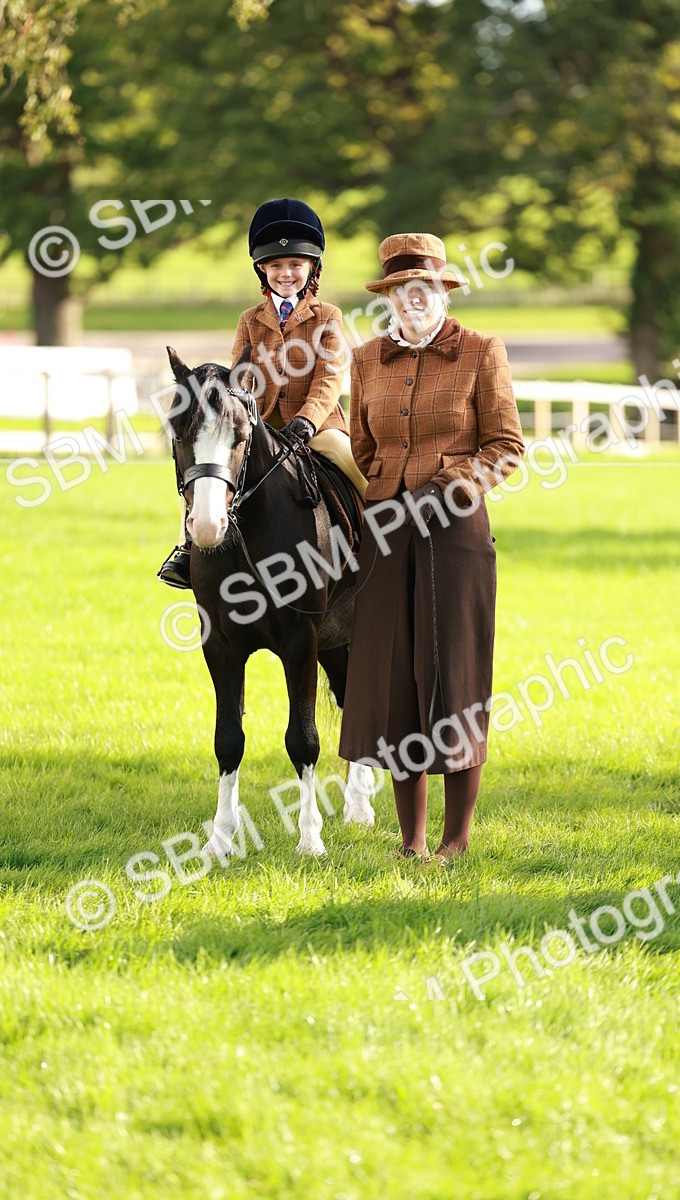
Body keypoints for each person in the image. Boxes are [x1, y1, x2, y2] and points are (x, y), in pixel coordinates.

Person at [337, 233, 526, 862]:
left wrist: (444, 487)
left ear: (443, 290)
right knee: (395, 676)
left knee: (455, 674)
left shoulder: (481, 352)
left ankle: (455, 840)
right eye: (401, 289)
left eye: (425, 287)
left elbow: (506, 447)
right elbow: (362, 447)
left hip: (456, 533)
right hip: (386, 532)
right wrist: (389, 496)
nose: (413, 298)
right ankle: (411, 840)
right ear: (388, 296)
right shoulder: (366, 359)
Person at [157, 197, 367, 588]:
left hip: (318, 429)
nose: (286, 273)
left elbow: (329, 377)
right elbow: (239, 378)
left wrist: (307, 420)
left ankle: (381, 541)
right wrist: (242, 413)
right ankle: (188, 549)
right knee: (206, 470)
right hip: (260, 428)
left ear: (312, 269)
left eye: (295, 265)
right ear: (262, 270)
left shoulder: (328, 317)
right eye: (276, 266)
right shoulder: (250, 320)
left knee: (354, 465)